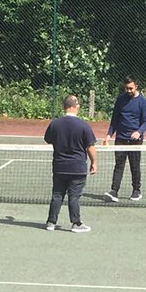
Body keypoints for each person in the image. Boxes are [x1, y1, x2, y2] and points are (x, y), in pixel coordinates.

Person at [44, 94, 97, 233]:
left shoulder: (55, 124)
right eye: (78, 104)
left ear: (64, 107)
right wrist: (94, 162)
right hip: (77, 168)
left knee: (57, 195)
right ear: (75, 106)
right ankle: (76, 223)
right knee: (74, 197)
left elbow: (48, 139)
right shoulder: (84, 125)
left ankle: (51, 222)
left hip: (59, 167)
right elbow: (90, 146)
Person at [103, 77, 146, 202]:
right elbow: (115, 119)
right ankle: (114, 191)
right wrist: (109, 135)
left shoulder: (142, 102)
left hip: (135, 141)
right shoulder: (120, 100)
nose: (128, 90)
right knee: (119, 165)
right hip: (120, 139)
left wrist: (138, 132)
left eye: (131, 88)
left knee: (135, 166)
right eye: (126, 88)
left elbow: (145, 121)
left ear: (136, 86)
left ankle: (136, 190)